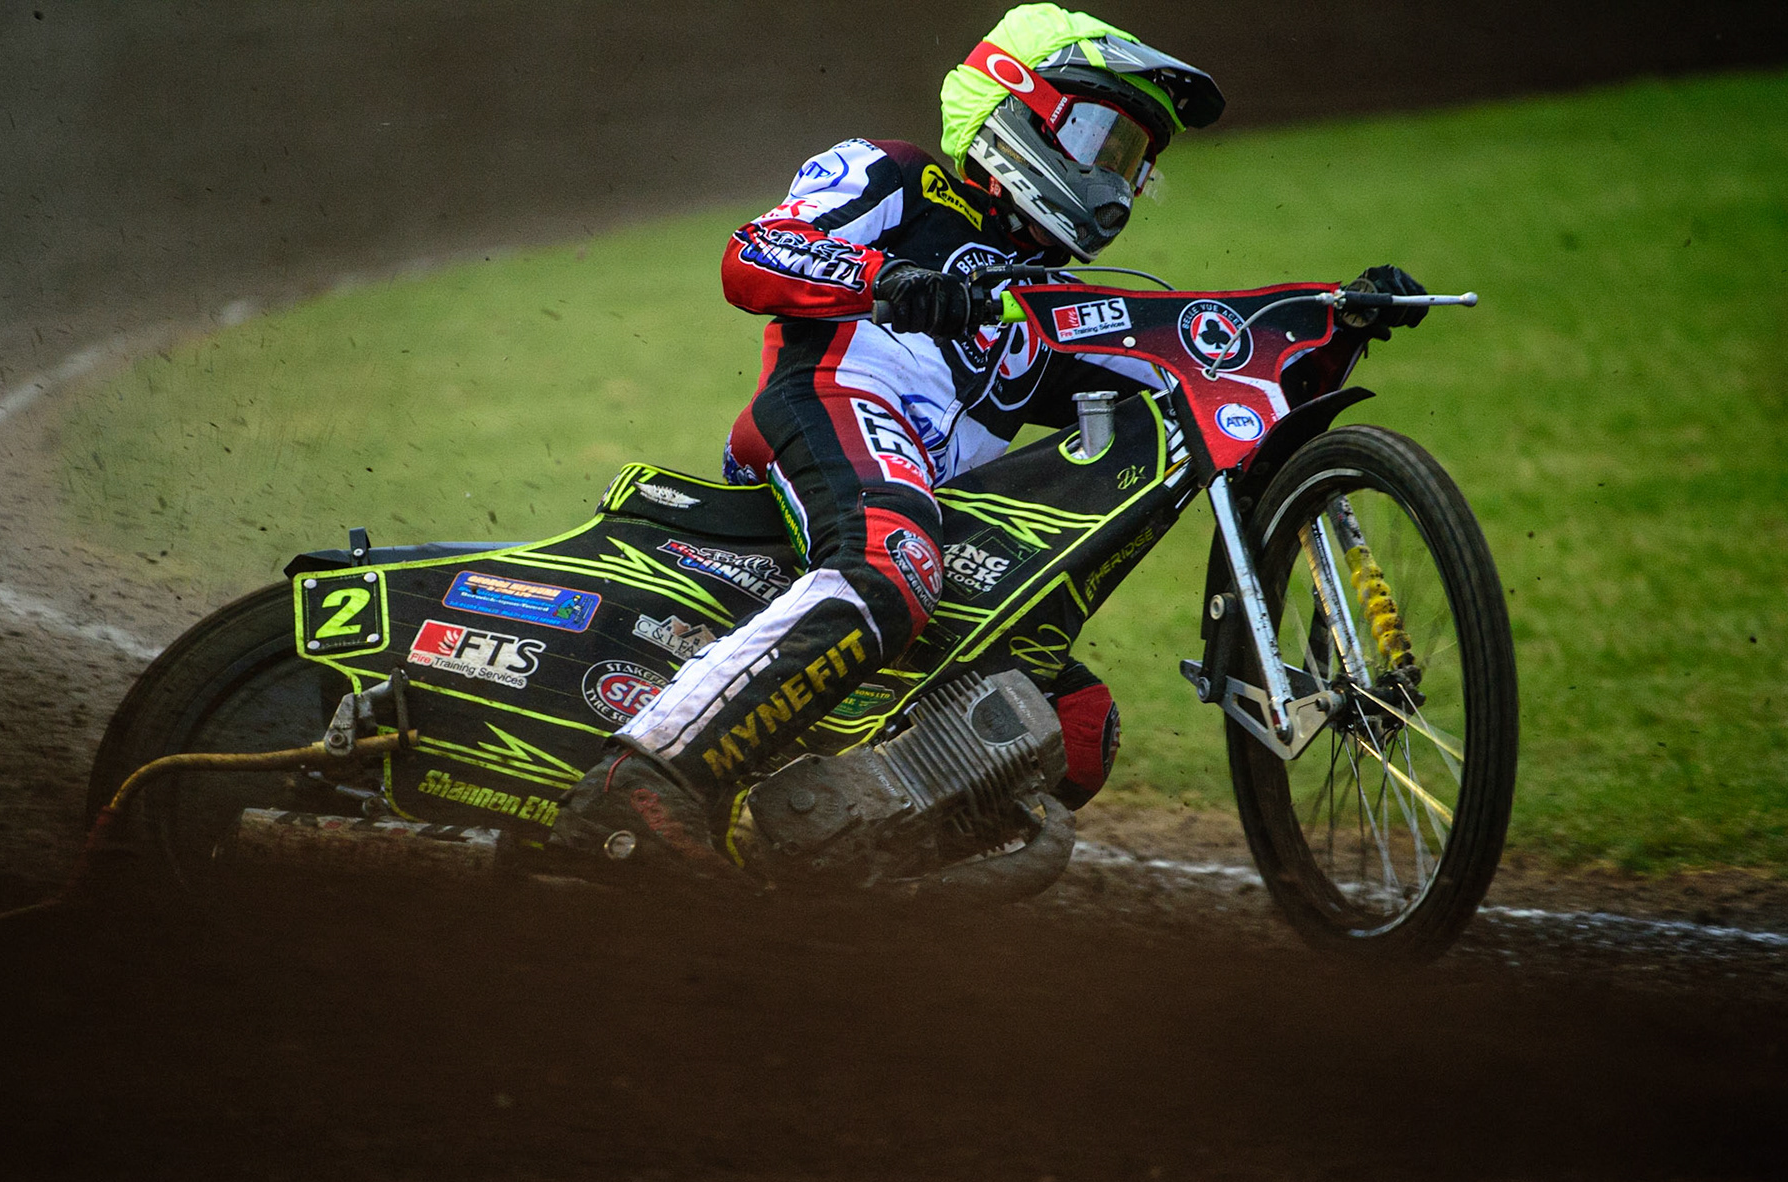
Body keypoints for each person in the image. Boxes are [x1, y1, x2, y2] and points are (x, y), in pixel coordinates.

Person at [554, 4, 1416, 869]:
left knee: (1074, 729)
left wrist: (1326, 321)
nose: (1114, 179)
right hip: (825, 406)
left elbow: (1191, 369)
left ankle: (834, 864)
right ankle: (642, 776)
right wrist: (889, 277)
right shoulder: (895, 176)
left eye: (1132, 160)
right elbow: (755, 254)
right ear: (1014, 107)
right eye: (1098, 138)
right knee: (896, 561)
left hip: (935, 508)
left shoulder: (1048, 299)